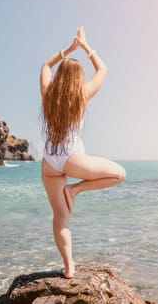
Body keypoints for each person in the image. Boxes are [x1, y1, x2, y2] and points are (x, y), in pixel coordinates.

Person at [40, 26, 126, 278]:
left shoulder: (48, 95)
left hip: (49, 162)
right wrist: (86, 47)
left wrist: (68, 50)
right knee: (119, 174)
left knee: (60, 218)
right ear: (78, 78)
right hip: (72, 158)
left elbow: (45, 65)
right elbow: (103, 69)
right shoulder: (82, 95)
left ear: (60, 75)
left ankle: (68, 266)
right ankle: (75, 190)